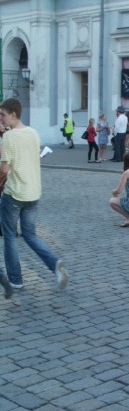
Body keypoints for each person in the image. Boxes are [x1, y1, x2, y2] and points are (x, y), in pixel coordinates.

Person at [0, 98, 68, 292]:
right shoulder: (33, 133)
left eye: (3, 114)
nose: (1, 118)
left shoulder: (9, 137)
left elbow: (4, 169)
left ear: (13, 114)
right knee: (30, 235)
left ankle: (16, 280)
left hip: (14, 193)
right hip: (33, 192)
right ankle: (54, 263)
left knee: (10, 236)